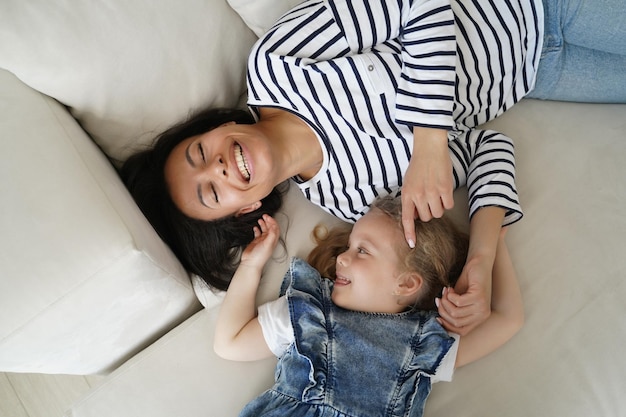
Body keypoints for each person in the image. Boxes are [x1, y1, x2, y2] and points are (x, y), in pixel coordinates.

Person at [121, 0, 626, 333]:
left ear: (209, 128)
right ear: (246, 209)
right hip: (540, 71)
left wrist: (428, 139)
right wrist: (481, 259)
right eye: (213, 191)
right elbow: (488, 149)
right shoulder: (349, 198)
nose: (219, 164)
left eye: (198, 152)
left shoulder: (278, 62)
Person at [213, 196, 524, 417]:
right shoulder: (307, 312)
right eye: (350, 246)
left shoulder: (423, 342)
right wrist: (251, 265)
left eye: (362, 251)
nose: (341, 259)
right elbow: (230, 343)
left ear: (406, 284)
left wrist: (490, 249)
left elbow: (508, 320)